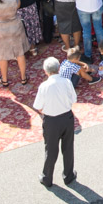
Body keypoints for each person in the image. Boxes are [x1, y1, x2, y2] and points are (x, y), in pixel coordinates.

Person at [33, 56, 78, 187]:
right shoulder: (67, 82)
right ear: (59, 69)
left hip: (51, 121)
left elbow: (38, 106)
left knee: (51, 150)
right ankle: (68, 175)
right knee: (68, 147)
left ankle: (47, 177)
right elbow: (73, 99)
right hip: (67, 118)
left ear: (45, 71)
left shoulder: (44, 86)